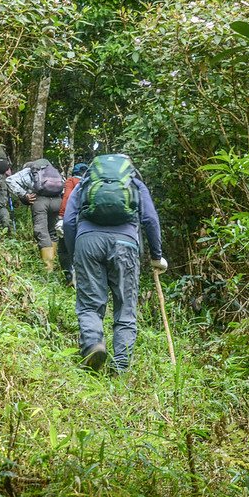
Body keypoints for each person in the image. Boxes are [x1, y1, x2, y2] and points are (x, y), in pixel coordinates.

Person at [62, 154, 167, 373]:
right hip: (125, 245)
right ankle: (119, 367)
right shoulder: (135, 183)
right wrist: (156, 256)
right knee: (125, 308)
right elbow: (150, 219)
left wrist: (75, 255)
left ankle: (93, 345)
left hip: (87, 242)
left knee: (90, 304)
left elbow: (70, 221)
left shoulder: (85, 184)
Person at [6, 158, 64, 270]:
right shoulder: (52, 171)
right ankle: (53, 261)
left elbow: (10, 181)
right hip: (57, 201)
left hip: (40, 201)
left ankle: (48, 268)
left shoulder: (30, 171)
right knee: (52, 232)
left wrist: (24, 194)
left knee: (41, 231)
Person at [55, 163, 88, 283]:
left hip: (71, 218)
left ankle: (69, 277)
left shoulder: (71, 181)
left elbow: (67, 198)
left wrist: (62, 216)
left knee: (64, 249)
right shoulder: (91, 183)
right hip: (86, 221)